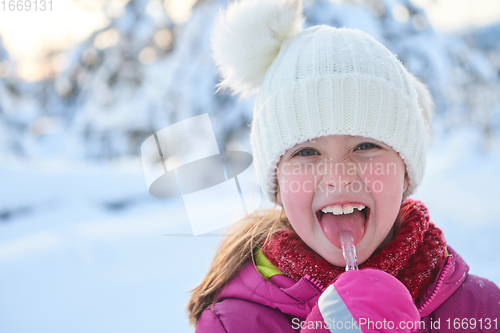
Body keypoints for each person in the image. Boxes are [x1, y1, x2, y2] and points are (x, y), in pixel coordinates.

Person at [187, 0, 500, 332]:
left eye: (366, 146)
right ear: (277, 181)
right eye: (307, 152)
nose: (338, 178)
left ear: (405, 170)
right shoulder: (234, 323)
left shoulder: (482, 310)